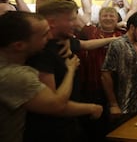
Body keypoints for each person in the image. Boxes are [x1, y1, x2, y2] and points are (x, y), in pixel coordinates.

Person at [24, 0, 112, 141]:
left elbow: (85, 44)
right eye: (72, 19)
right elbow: (52, 104)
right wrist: (91, 108)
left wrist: (114, 39)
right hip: (50, 131)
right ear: (52, 22)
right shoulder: (43, 52)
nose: (77, 24)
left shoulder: (64, 41)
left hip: (69, 125)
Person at [0, 11, 80, 142]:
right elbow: (57, 105)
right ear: (19, 45)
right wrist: (70, 70)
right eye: (44, 35)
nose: (50, 37)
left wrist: (66, 39)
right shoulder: (13, 75)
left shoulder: (13, 54)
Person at [101, 11, 137, 129]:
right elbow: (105, 74)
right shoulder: (117, 44)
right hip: (122, 106)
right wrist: (113, 104)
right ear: (132, 27)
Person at [76, 6, 125, 141]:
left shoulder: (123, 34)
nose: (108, 18)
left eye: (112, 16)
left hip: (116, 86)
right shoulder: (90, 31)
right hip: (92, 84)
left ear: (117, 19)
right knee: (95, 125)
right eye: (105, 15)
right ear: (99, 18)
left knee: (116, 126)